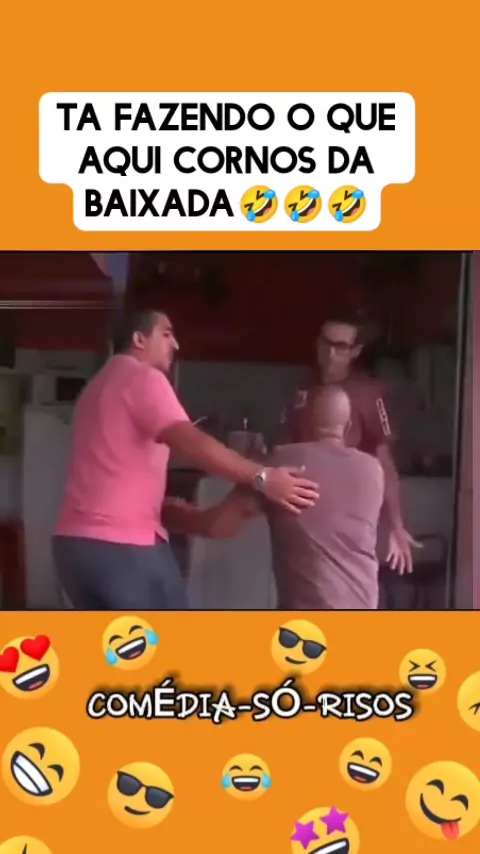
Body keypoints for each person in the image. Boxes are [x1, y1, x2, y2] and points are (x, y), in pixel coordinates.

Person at [52, 310, 319, 610]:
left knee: (111, 641)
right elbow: (190, 443)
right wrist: (264, 477)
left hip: (73, 549)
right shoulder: (143, 377)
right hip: (124, 547)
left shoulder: (94, 389)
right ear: (139, 339)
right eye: (166, 334)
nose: (176, 344)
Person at [163, 385, 388, 609]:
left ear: (305, 421)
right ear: (348, 427)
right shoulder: (373, 470)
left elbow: (218, 525)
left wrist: (170, 513)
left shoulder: (282, 463)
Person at [279, 312, 419, 574]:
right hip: (303, 511)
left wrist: (396, 525)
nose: (331, 354)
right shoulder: (303, 385)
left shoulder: (368, 393)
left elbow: (384, 462)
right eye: (326, 343)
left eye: (341, 347)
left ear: (355, 351)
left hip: (349, 516)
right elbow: (287, 445)